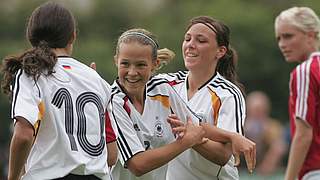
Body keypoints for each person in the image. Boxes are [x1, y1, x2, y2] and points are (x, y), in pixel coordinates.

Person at [96, 28, 255, 180]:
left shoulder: (162, 89)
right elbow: (138, 165)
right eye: (125, 64)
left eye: (140, 65)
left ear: (155, 64)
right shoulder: (114, 101)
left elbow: (196, 125)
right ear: (116, 61)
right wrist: (186, 142)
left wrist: (232, 136)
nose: (132, 72)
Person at [1, 2, 116, 179]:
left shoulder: (31, 72)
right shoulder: (97, 80)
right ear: (73, 37)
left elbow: (24, 135)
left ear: (30, 37)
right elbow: (111, 155)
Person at [161, 16, 249, 180]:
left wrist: (192, 136)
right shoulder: (166, 84)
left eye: (201, 40)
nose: (190, 45)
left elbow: (223, 155)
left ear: (220, 51)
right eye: (187, 39)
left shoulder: (228, 94)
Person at [275, 7, 320, 180]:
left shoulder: (305, 71)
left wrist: (290, 177)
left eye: (288, 36)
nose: (281, 44)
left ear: (310, 35)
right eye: (279, 38)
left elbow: (304, 134)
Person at [244, 91, 287, 175]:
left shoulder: (273, 127)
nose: (258, 113)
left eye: (261, 110)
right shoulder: (241, 127)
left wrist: (266, 167)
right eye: (256, 110)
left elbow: (279, 148)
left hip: (270, 174)